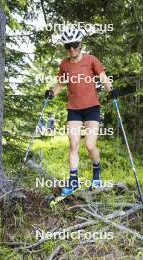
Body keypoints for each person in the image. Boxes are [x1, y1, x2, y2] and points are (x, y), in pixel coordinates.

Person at [45, 26, 113, 195]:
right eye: (68, 46)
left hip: (92, 108)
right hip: (74, 109)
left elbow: (103, 78)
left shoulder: (91, 60)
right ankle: (73, 181)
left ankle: (97, 172)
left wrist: (111, 90)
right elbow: (61, 83)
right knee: (73, 143)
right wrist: (52, 92)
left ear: (80, 43)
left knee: (90, 144)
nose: (72, 49)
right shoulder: (65, 64)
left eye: (74, 44)